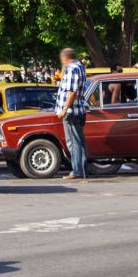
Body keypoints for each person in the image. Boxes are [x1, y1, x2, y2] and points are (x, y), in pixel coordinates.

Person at [55, 47, 90, 181]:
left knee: (74, 142)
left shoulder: (72, 69)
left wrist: (64, 108)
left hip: (72, 111)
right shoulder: (80, 67)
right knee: (79, 141)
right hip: (78, 109)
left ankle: (77, 170)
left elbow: (72, 91)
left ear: (65, 58)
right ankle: (81, 169)